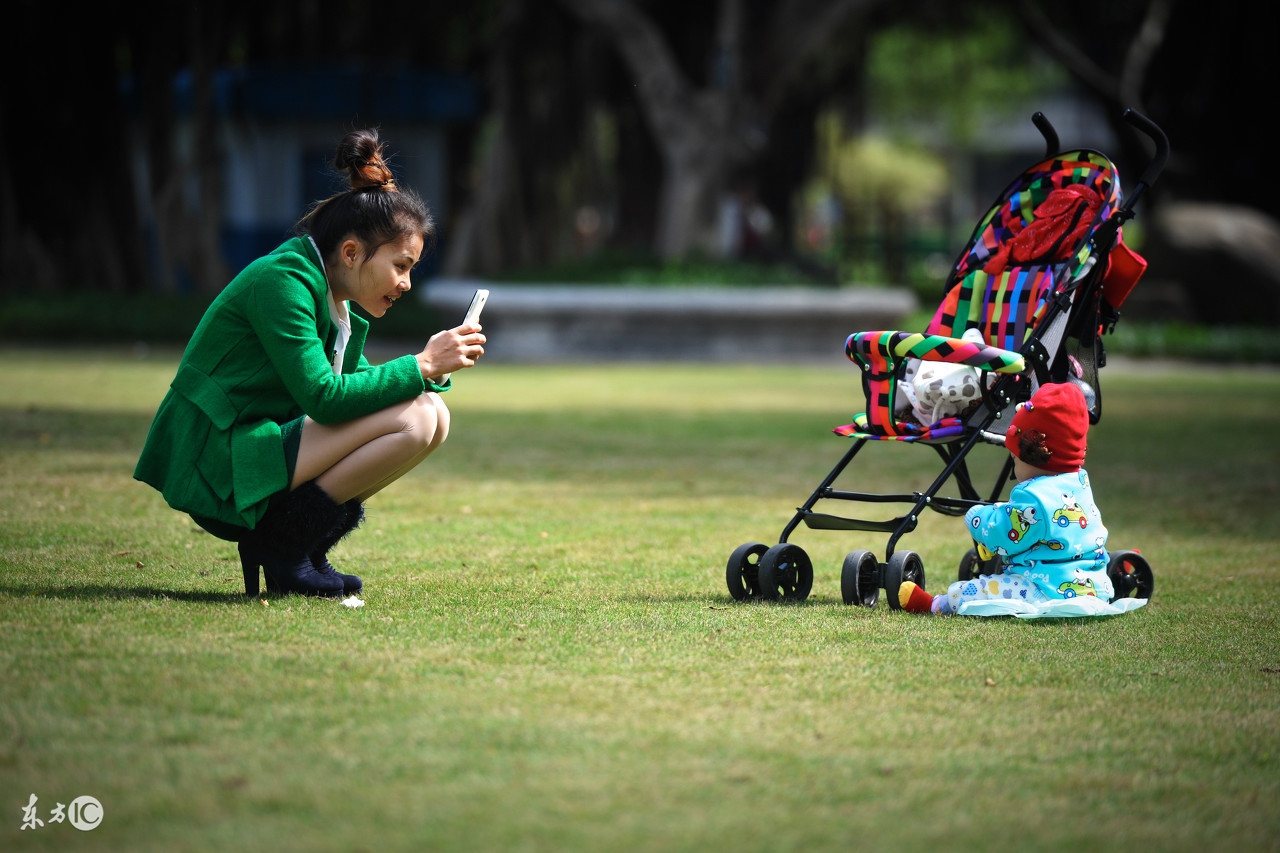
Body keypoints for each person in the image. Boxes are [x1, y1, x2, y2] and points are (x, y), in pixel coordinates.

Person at [134, 128, 485, 597]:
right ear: (351, 252)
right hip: (218, 457)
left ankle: (299, 548)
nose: (405, 283)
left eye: (411, 270)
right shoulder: (283, 282)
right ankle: (284, 544)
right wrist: (420, 364)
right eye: (401, 265)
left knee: (433, 416)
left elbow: (353, 386)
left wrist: (433, 370)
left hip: (256, 444)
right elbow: (324, 398)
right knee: (420, 418)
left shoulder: (329, 296)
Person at [898, 382, 1114, 615]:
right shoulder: (1080, 483)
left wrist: (977, 516)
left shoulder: (1035, 497)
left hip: (1041, 589)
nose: (1015, 468)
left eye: (1015, 460)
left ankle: (934, 605)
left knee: (977, 589)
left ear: (1035, 456)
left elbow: (1002, 534)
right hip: (1092, 587)